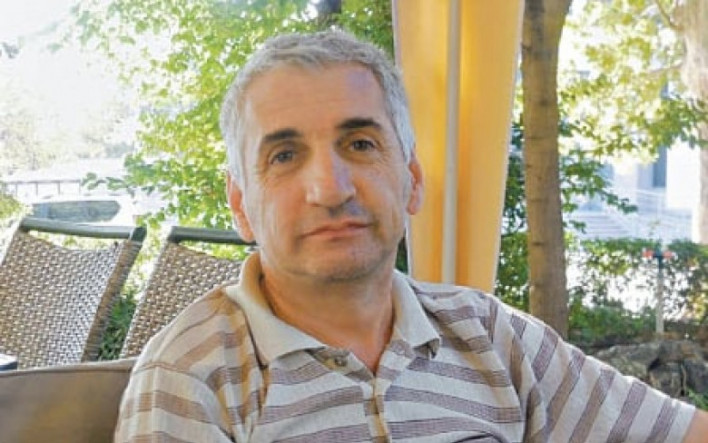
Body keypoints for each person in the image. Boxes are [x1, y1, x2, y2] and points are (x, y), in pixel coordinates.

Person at [115, 30, 708, 442]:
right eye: (285, 155)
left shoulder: (489, 334)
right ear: (241, 205)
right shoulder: (193, 376)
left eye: (360, 144)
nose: (330, 188)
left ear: (412, 181)